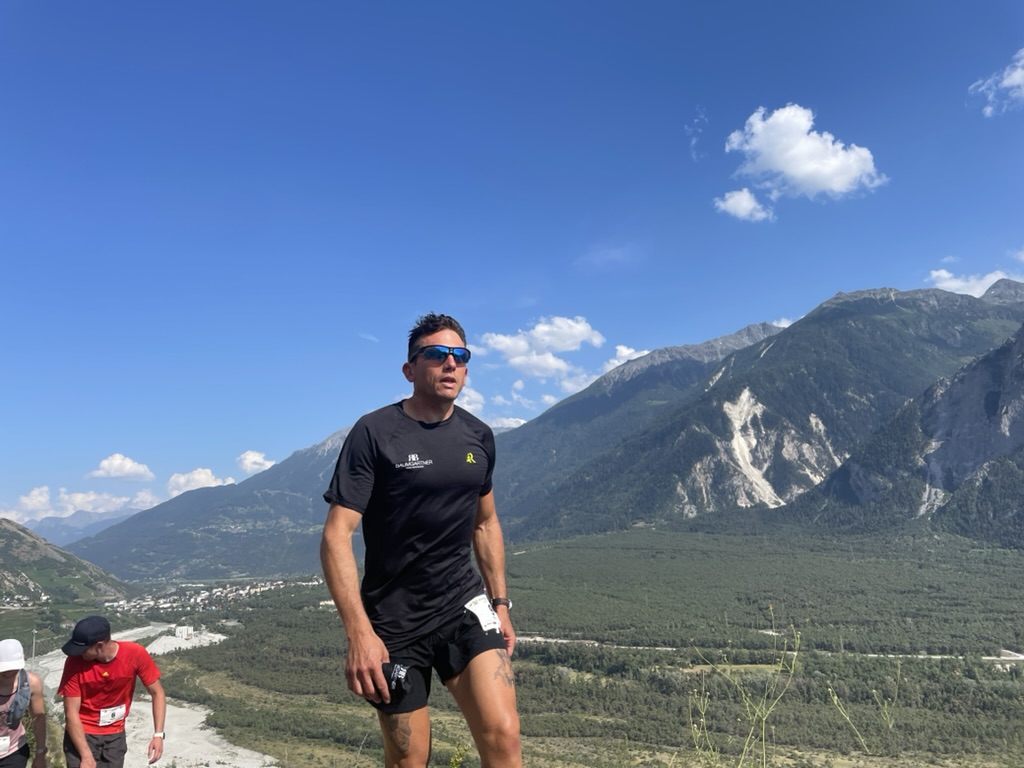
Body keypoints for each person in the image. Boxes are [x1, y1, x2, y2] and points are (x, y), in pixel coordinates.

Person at [321, 312, 522, 768]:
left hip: (462, 606)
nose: (450, 363)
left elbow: (485, 524)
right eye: (436, 354)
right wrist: (358, 633)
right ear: (410, 369)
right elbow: (336, 537)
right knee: (408, 758)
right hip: (393, 623)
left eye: (460, 356)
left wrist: (501, 604)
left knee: (505, 737)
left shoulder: (479, 437)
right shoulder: (374, 433)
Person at [57, 616, 166, 768]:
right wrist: (86, 755)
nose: (79, 654)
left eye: (83, 650)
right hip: (82, 733)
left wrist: (158, 735)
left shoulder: (135, 654)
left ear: (99, 645)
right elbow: (71, 713)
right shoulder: (74, 662)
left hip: (115, 734)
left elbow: (157, 693)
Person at [0, 639, 48, 768]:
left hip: (14, 751)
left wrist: (40, 754)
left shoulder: (31, 683)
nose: (8, 672)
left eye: (13, 668)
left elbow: (38, 718)